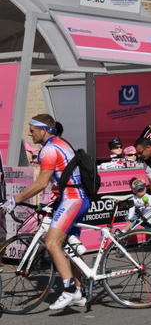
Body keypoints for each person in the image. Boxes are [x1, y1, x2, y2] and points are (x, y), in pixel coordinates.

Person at [2, 114, 90, 310]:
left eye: (32, 130)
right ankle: (79, 290)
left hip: (71, 199)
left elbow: (41, 183)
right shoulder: (61, 143)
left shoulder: (48, 149)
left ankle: (69, 291)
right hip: (77, 198)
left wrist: (13, 201)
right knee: (69, 248)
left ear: (44, 130)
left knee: (51, 243)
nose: (29, 133)